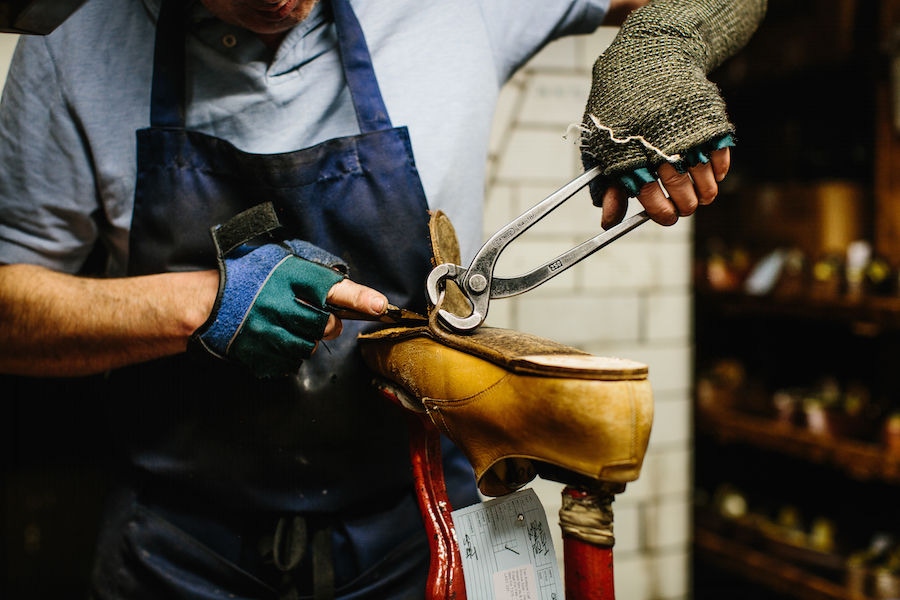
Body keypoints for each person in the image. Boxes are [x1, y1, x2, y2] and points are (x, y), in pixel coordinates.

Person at [0, 0, 765, 598]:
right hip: (178, 551)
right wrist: (201, 305)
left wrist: (662, 48)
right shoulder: (72, 47)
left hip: (425, 527)